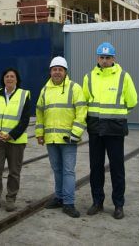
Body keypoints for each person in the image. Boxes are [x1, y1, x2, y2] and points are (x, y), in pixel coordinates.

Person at [82, 42, 137, 220]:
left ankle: (118, 205)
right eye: (102, 57)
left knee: (117, 168)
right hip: (95, 129)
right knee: (95, 168)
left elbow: (132, 101)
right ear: (97, 58)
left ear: (114, 58)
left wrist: (116, 115)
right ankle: (97, 202)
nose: (104, 61)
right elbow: (84, 102)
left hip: (115, 129)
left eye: (108, 58)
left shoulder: (123, 77)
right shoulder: (89, 77)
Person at [35, 56, 87, 218]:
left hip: (68, 140)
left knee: (68, 171)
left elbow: (81, 112)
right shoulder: (45, 90)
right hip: (51, 139)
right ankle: (59, 198)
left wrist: (75, 134)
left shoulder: (74, 88)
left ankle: (69, 203)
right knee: (57, 170)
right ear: (50, 71)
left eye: (60, 70)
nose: (57, 72)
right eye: (54, 69)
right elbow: (40, 113)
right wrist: (39, 133)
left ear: (65, 72)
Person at [0, 68, 31, 213]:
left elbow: (25, 120)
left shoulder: (24, 95)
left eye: (12, 76)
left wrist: (11, 135)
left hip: (15, 141)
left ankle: (11, 199)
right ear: (3, 79)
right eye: (7, 76)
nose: (9, 78)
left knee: (14, 171)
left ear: (17, 79)